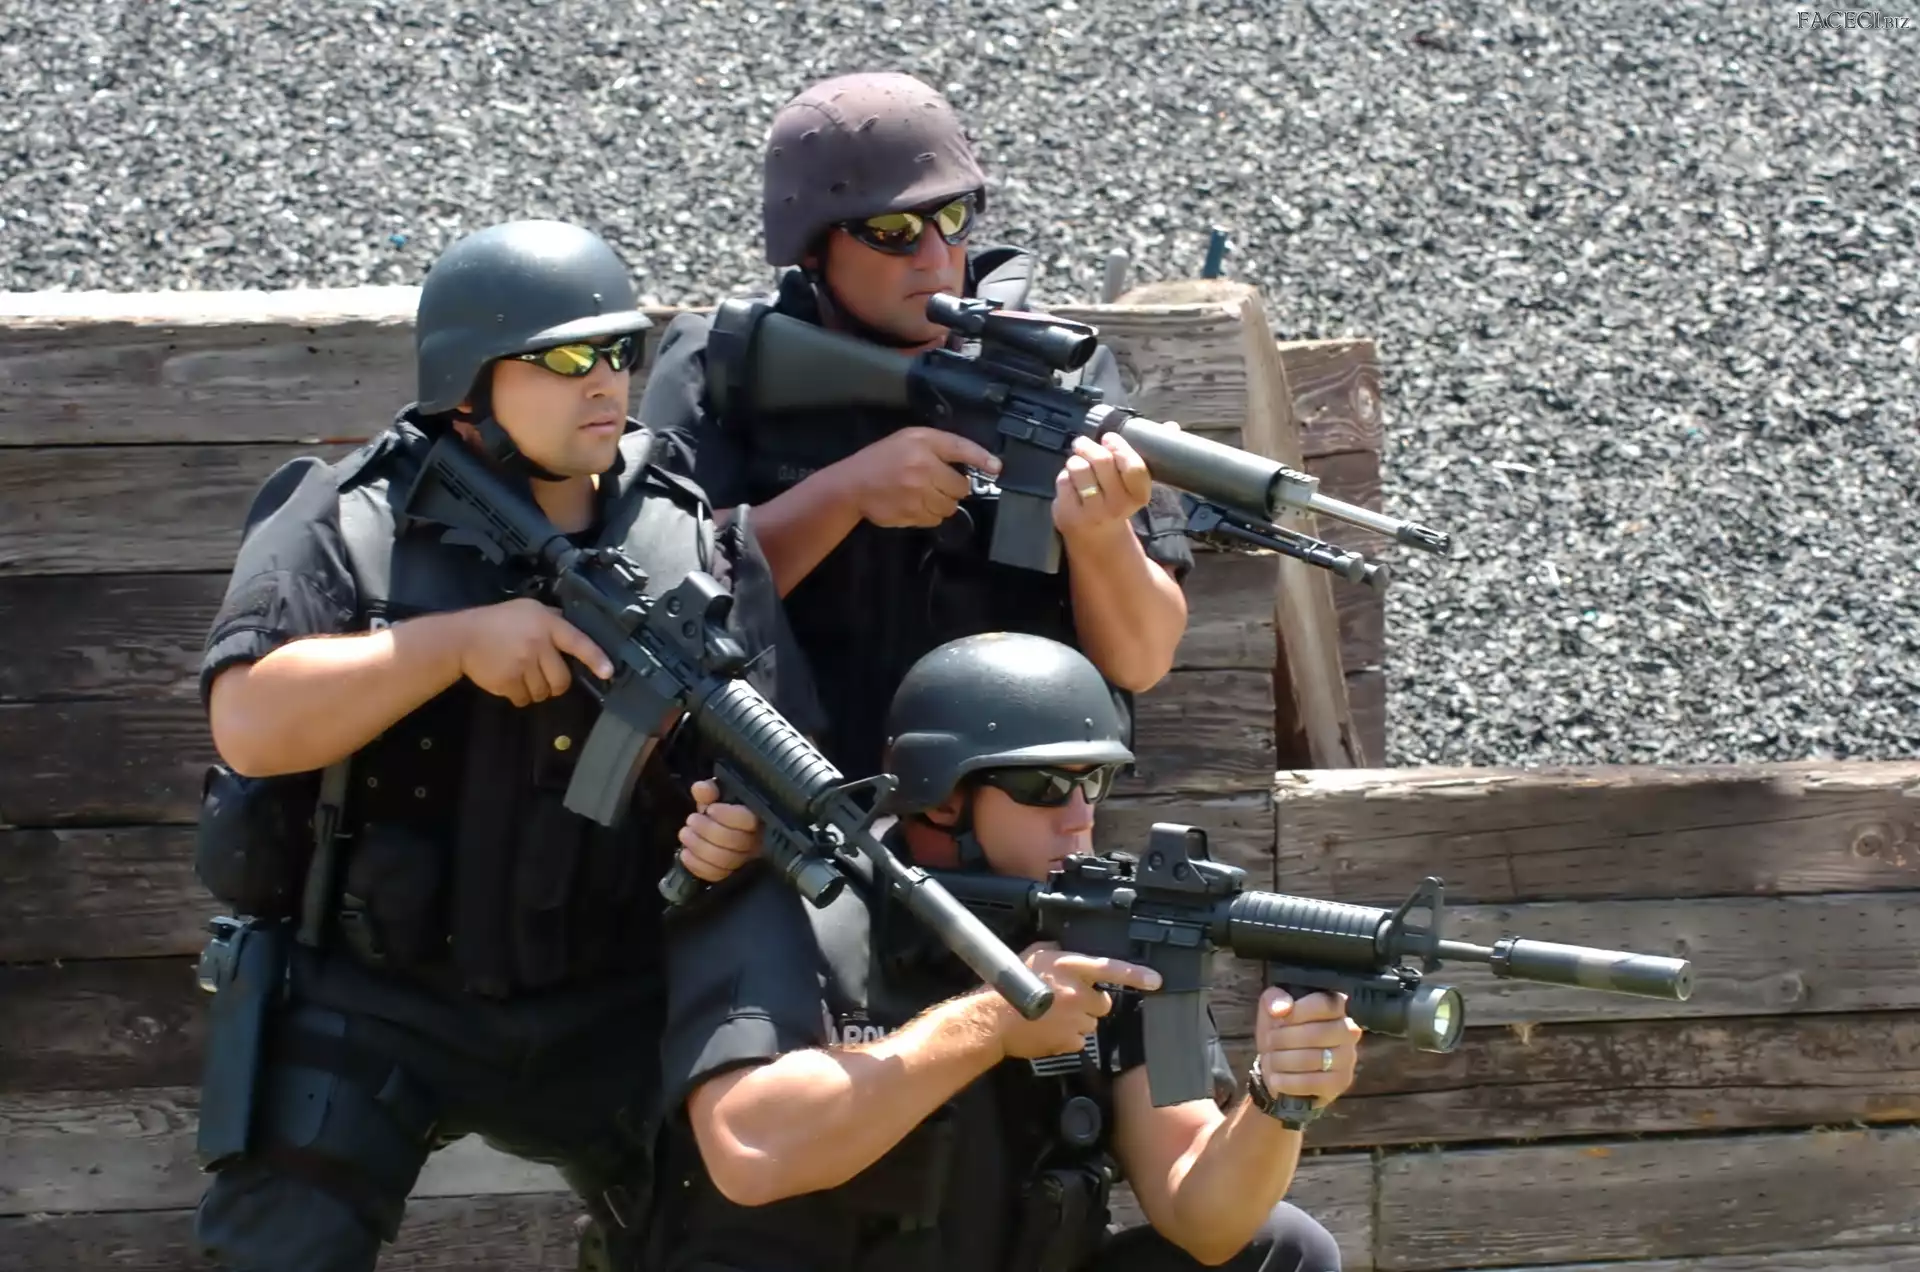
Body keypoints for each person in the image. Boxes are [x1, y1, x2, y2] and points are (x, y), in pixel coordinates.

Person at [188, 219, 817, 1272]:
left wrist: (732, 834)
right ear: (469, 380)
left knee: (750, 1238)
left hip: (617, 995)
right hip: (376, 996)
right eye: (564, 359)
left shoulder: (688, 537)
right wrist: (451, 646)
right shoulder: (350, 521)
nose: (605, 380)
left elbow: (764, 763)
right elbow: (248, 722)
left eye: (620, 351)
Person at [648, 632, 1358, 1272]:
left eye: (1094, 781)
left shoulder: (1100, 934)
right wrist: (991, 1024)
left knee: (1283, 1250)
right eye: (1043, 786)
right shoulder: (801, 902)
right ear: (941, 799)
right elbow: (749, 1150)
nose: (1079, 816)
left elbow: (1204, 1217)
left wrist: (1278, 1098)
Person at [636, 71, 1195, 778]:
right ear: (812, 246)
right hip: (781, 798)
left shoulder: (1056, 378)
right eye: (893, 231)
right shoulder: (728, 368)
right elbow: (655, 603)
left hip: (1012, 809)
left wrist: (1100, 536)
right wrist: (844, 496)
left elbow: (1141, 660)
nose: (935, 258)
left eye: (953, 218)